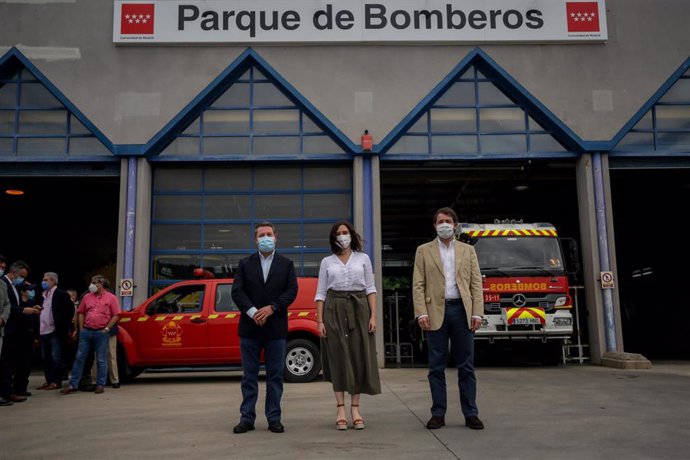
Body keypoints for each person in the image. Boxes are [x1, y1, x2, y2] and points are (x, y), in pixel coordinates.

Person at [412, 207, 485, 430]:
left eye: (448, 221)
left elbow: (475, 283)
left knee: (466, 366)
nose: (444, 224)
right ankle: (438, 413)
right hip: (435, 312)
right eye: (440, 221)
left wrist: (477, 312)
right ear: (435, 226)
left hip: (462, 311)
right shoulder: (423, 251)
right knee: (436, 367)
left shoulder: (467, 251)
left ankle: (471, 413)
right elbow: (418, 283)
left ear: (455, 225)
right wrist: (421, 312)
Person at [231, 222, 298, 434]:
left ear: (276, 237)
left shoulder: (286, 264)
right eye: (262, 235)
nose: (266, 238)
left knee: (275, 376)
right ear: (256, 239)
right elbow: (237, 291)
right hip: (250, 329)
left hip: (275, 329)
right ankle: (247, 418)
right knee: (249, 376)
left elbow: (291, 291)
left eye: (269, 234)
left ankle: (274, 418)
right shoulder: (244, 264)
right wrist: (252, 312)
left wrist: (272, 308)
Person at [315, 221, 380, 430]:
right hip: (333, 308)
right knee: (338, 357)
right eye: (338, 233)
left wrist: (373, 317)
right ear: (334, 238)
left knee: (358, 355)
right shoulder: (327, 261)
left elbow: (371, 288)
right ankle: (340, 408)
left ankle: (355, 408)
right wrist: (320, 320)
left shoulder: (363, 259)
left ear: (351, 235)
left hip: (359, 307)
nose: (342, 236)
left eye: (345, 232)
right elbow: (321, 292)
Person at [60, 275, 120, 395]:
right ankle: (73, 384)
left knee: (101, 359)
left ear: (101, 284)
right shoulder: (87, 297)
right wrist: (81, 329)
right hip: (87, 331)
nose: (91, 285)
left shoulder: (111, 298)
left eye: (94, 282)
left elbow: (117, 314)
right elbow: (81, 312)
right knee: (79, 358)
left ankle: (100, 384)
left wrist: (107, 328)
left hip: (101, 332)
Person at [35, 272, 75, 391]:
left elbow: (70, 310)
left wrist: (63, 325)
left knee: (55, 357)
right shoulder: (42, 295)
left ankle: (56, 381)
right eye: (43, 279)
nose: (43, 282)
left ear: (54, 281)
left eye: (46, 280)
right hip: (43, 330)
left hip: (55, 331)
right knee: (45, 357)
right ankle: (49, 380)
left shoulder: (60, 294)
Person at [0, 260, 32, 405]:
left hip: (13, 329)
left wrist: (26, 307)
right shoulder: (3, 283)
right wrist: (22, 310)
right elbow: (8, 307)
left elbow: (11, 305)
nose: (22, 279)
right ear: (14, 272)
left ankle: (9, 392)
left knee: (9, 363)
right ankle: (5, 393)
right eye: (21, 276)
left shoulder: (13, 286)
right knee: (5, 362)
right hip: (6, 328)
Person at [0, 256, 10, 406]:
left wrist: (3, 318)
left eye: (3, 266)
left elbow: (7, 304)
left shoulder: (2, 284)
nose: (1, 268)